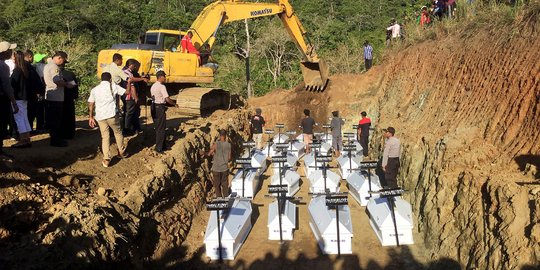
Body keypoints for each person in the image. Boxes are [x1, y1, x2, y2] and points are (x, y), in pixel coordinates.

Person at [88, 72, 128, 168]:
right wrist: (129, 83)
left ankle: (106, 159)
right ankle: (121, 152)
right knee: (118, 133)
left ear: (101, 79)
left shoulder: (95, 89)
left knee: (105, 137)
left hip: (100, 116)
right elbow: (126, 92)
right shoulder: (113, 86)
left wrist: (90, 117)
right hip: (112, 115)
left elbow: (91, 103)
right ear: (110, 79)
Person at [10, 51, 37, 148]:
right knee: (24, 118)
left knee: (19, 119)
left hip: (18, 98)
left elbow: (12, 84)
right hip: (25, 97)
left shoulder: (17, 70)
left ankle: (22, 140)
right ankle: (27, 138)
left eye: (13, 58)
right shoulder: (25, 69)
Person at [43, 51, 68, 147]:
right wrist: (66, 84)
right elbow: (56, 80)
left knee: (53, 119)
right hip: (56, 97)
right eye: (63, 60)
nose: (63, 63)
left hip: (51, 96)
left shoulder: (48, 65)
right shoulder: (54, 67)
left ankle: (55, 139)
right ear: (59, 58)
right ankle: (56, 140)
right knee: (56, 120)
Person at [0, 41, 19, 160]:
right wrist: (14, 102)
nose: (12, 52)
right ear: (4, 52)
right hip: (1, 99)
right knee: (1, 124)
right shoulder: (3, 66)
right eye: (10, 50)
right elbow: (7, 86)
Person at [150, 71, 178, 153]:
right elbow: (167, 99)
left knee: (159, 127)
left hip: (154, 107)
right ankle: (159, 148)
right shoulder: (162, 86)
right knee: (161, 129)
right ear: (161, 77)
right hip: (159, 108)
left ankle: (163, 146)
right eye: (164, 76)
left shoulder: (153, 86)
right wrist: (174, 104)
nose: (165, 78)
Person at [202, 129, 231, 198]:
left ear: (219, 135)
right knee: (225, 184)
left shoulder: (216, 144)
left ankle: (219, 199)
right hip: (224, 168)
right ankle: (226, 199)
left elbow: (209, 154)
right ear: (226, 135)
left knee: (217, 185)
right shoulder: (228, 145)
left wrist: (203, 153)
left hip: (216, 169)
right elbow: (229, 158)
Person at [122, 59, 148, 135]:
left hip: (127, 95)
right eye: (135, 66)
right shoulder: (127, 72)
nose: (136, 68)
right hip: (129, 96)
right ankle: (127, 130)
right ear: (132, 65)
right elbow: (132, 85)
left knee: (131, 113)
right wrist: (136, 97)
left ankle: (135, 128)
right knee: (130, 113)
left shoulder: (126, 71)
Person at [60, 65, 79, 139]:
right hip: (69, 98)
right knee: (70, 116)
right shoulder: (70, 74)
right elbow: (75, 86)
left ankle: (61, 133)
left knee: (61, 116)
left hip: (59, 98)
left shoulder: (56, 75)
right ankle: (70, 133)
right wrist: (75, 95)